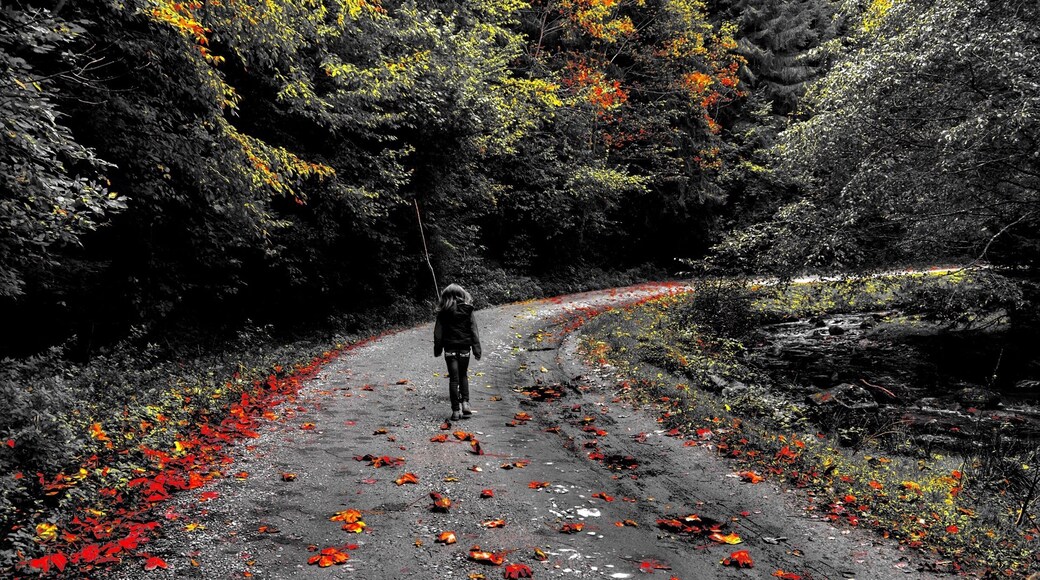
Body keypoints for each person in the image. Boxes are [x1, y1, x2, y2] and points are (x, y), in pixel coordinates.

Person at [433, 284, 482, 420]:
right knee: (463, 375)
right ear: (462, 295)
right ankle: (465, 403)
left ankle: (455, 410)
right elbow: (474, 331)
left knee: (453, 380)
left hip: (450, 350)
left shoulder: (443, 313)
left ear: (445, 297)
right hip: (465, 349)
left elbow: (438, 334)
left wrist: (438, 349)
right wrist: (477, 349)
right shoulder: (468, 311)